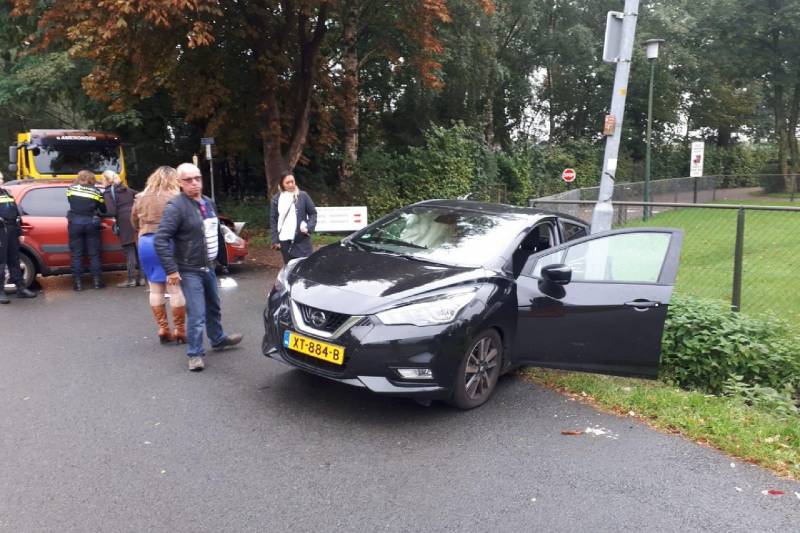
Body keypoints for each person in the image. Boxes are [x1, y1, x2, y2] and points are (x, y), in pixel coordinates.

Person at [154, 163, 242, 371]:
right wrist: (172, 270)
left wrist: (224, 253)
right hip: (189, 268)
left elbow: (212, 229)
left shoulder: (208, 202)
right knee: (197, 312)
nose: (194, 183)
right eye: (188, 180)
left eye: (197, 178)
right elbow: (161, 239)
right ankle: (194, 354)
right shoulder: (176, 207)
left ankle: (218, 339)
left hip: (208, 266)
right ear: (179, 183)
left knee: (214, 306)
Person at [131, 166, 186, 344]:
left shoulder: (140, 197)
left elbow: (133, 221)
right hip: (168, 243)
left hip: (146, 243)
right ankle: (180, 329)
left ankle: (163, 328)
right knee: (175, 288)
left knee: (155, 288)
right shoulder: (176, 197)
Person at [0, 172, 37, 303]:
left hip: (11, 230)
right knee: (1, 262)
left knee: (14, 260)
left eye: (2, 178)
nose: (1, 180)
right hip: (1, 231)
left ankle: (20, 288)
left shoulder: (6, 193)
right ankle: (1, 292)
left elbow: (16, 213)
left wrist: (19, 232)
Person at [67, 170, 106, 291]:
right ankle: (97, 282)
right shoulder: (96, 191)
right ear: (92, 179)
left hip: (75, 223)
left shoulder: (71, 189)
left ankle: (78, 284)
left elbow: (70, 202)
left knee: (77, 255)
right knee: (94, 254)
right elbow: (103, 209)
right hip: (91, 224)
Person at [102, 170, 141, 288]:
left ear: (107, 180)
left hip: (124, 222)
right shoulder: (127, 189)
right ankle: (143, 278)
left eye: (102, 180)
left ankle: (131, 279)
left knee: (129, 250)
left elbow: (111, 211)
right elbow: (140, 195)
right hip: (135, 219)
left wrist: (99, 212)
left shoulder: (109, 193)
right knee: (137, 249)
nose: (102, 182)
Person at [270, 172, 317, 264]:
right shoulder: (276, 199)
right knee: (290, 269)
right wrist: (275, 240)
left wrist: (308, 227)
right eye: (287, 183)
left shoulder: (303, 195)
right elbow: (273, 220)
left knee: (305, 267)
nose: (291, 184)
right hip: (285, 241)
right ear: (282, 184)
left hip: (301, 240)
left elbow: (313, 214)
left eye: (292, 181)